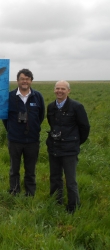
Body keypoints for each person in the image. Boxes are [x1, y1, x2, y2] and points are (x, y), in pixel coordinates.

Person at [46, 80, 90, 213]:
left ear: (68, 91)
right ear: (54, 90)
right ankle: (56, 202)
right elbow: (51, 124)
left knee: (71, 180)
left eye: (63, 89)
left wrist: (75, 141)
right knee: (55, 177)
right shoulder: (51, 107)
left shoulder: (77, 107)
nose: (60, 91)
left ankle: (73, 207)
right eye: (57, 88)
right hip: (54, 146)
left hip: (70, 149)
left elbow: (85, 127)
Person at [3, 69, 45, 196]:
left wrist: (33, 128)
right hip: (15, 140)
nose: (25, 81)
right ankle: (14, 192)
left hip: (32, 140)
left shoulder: (37, 97)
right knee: (14, 169)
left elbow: (41, 115)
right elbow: (5, 118)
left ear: (31, 81)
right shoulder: (10, 97)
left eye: (27, 79)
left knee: (30, 170)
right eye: (22, 79)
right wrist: (12, 129)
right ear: (17, 80)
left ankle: (30, 193)